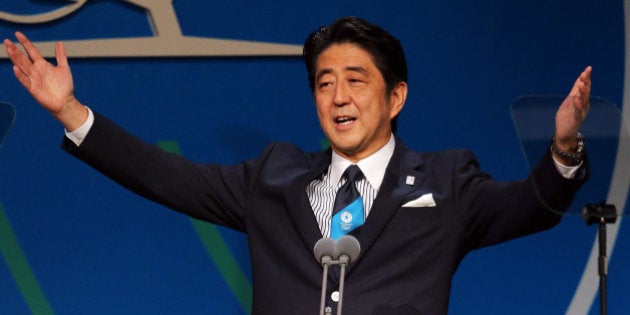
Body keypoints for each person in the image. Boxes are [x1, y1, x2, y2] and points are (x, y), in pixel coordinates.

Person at [4, 16, 590, 314]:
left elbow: (528, 209)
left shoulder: (445, 182)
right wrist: (72, 112)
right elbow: (167, 177)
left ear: (396, 97)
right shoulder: (274, 178)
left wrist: (562, 150)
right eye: (324, 84)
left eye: (355, 81)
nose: (338, 98)